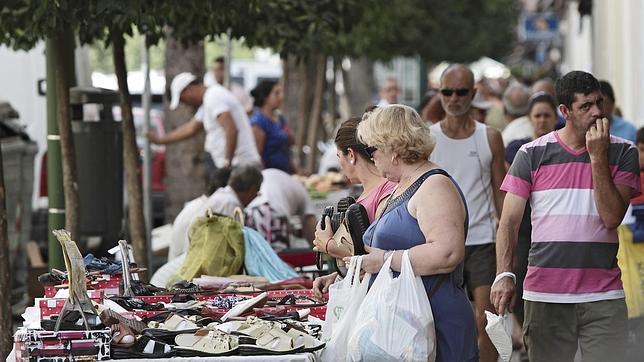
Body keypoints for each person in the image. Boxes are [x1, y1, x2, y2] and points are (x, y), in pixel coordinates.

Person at [492, 71, 640, 362]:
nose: (597, 112)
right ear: (565, 111)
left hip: (603, 295)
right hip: (545, 295)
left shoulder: (623, 152)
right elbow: (508, 222)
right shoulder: (531, 154)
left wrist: (597, 157)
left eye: (599, 102)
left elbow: (611, 217)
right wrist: (505, 274)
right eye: (586, 106)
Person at [314, 105, 478, 361]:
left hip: (435, 322)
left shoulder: (434, 185)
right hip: (407, 325)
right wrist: (347, 274)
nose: (372, 158)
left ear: (393, 148)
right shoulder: (404, 185)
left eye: (372, 150)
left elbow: (447, 252)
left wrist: (384, 260)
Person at [428, 64, 505, 362]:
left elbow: (500, 192)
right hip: (440, 244)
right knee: (443, 323)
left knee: (487, 321)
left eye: (461, 92)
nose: (454, 98)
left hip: (483, 242)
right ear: (440, 93)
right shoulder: (428, 138)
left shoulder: (490, 137)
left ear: (473, 94)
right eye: (447, 91)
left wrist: (505, 241)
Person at [503, 92, 558, 328]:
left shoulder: (564, 148)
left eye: (547, 115)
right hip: (525, 226)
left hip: (554, 227)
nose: (542, 120)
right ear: (529, 118)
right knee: (522, 280)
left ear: (556, 117)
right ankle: (528, 333)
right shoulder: (518, 148)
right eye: (538, 115)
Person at [148, 72, 260, 178]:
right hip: (232, 164)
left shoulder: (213, 97)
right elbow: (190, 128)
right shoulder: (208, 101)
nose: (186, 104)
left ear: (188, 90)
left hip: (238, 163)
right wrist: (161, 140)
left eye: (183, 100)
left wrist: (227, 163)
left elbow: (231, 129)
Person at [166, 165, 263, 261]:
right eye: (257, 192)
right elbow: (230, 248)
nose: (256, 196)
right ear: (251, 189)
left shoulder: (223, 196)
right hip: (194, 261)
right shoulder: (229, 203)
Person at [245, 168, 317, 251]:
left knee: (256, 251)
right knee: (278, 255)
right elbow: (311, 224)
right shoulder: (301, 189)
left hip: (252, 209)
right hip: (275, 213)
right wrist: (320, 252)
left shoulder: (285, 179)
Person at [249, 80, 295, 174]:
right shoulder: (258, 122)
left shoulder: (280, 118)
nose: (281, 97)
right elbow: (258, 156)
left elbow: (290, 143)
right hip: (270, 174)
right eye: (276, 93)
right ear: (265, 97)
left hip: (285, 172)